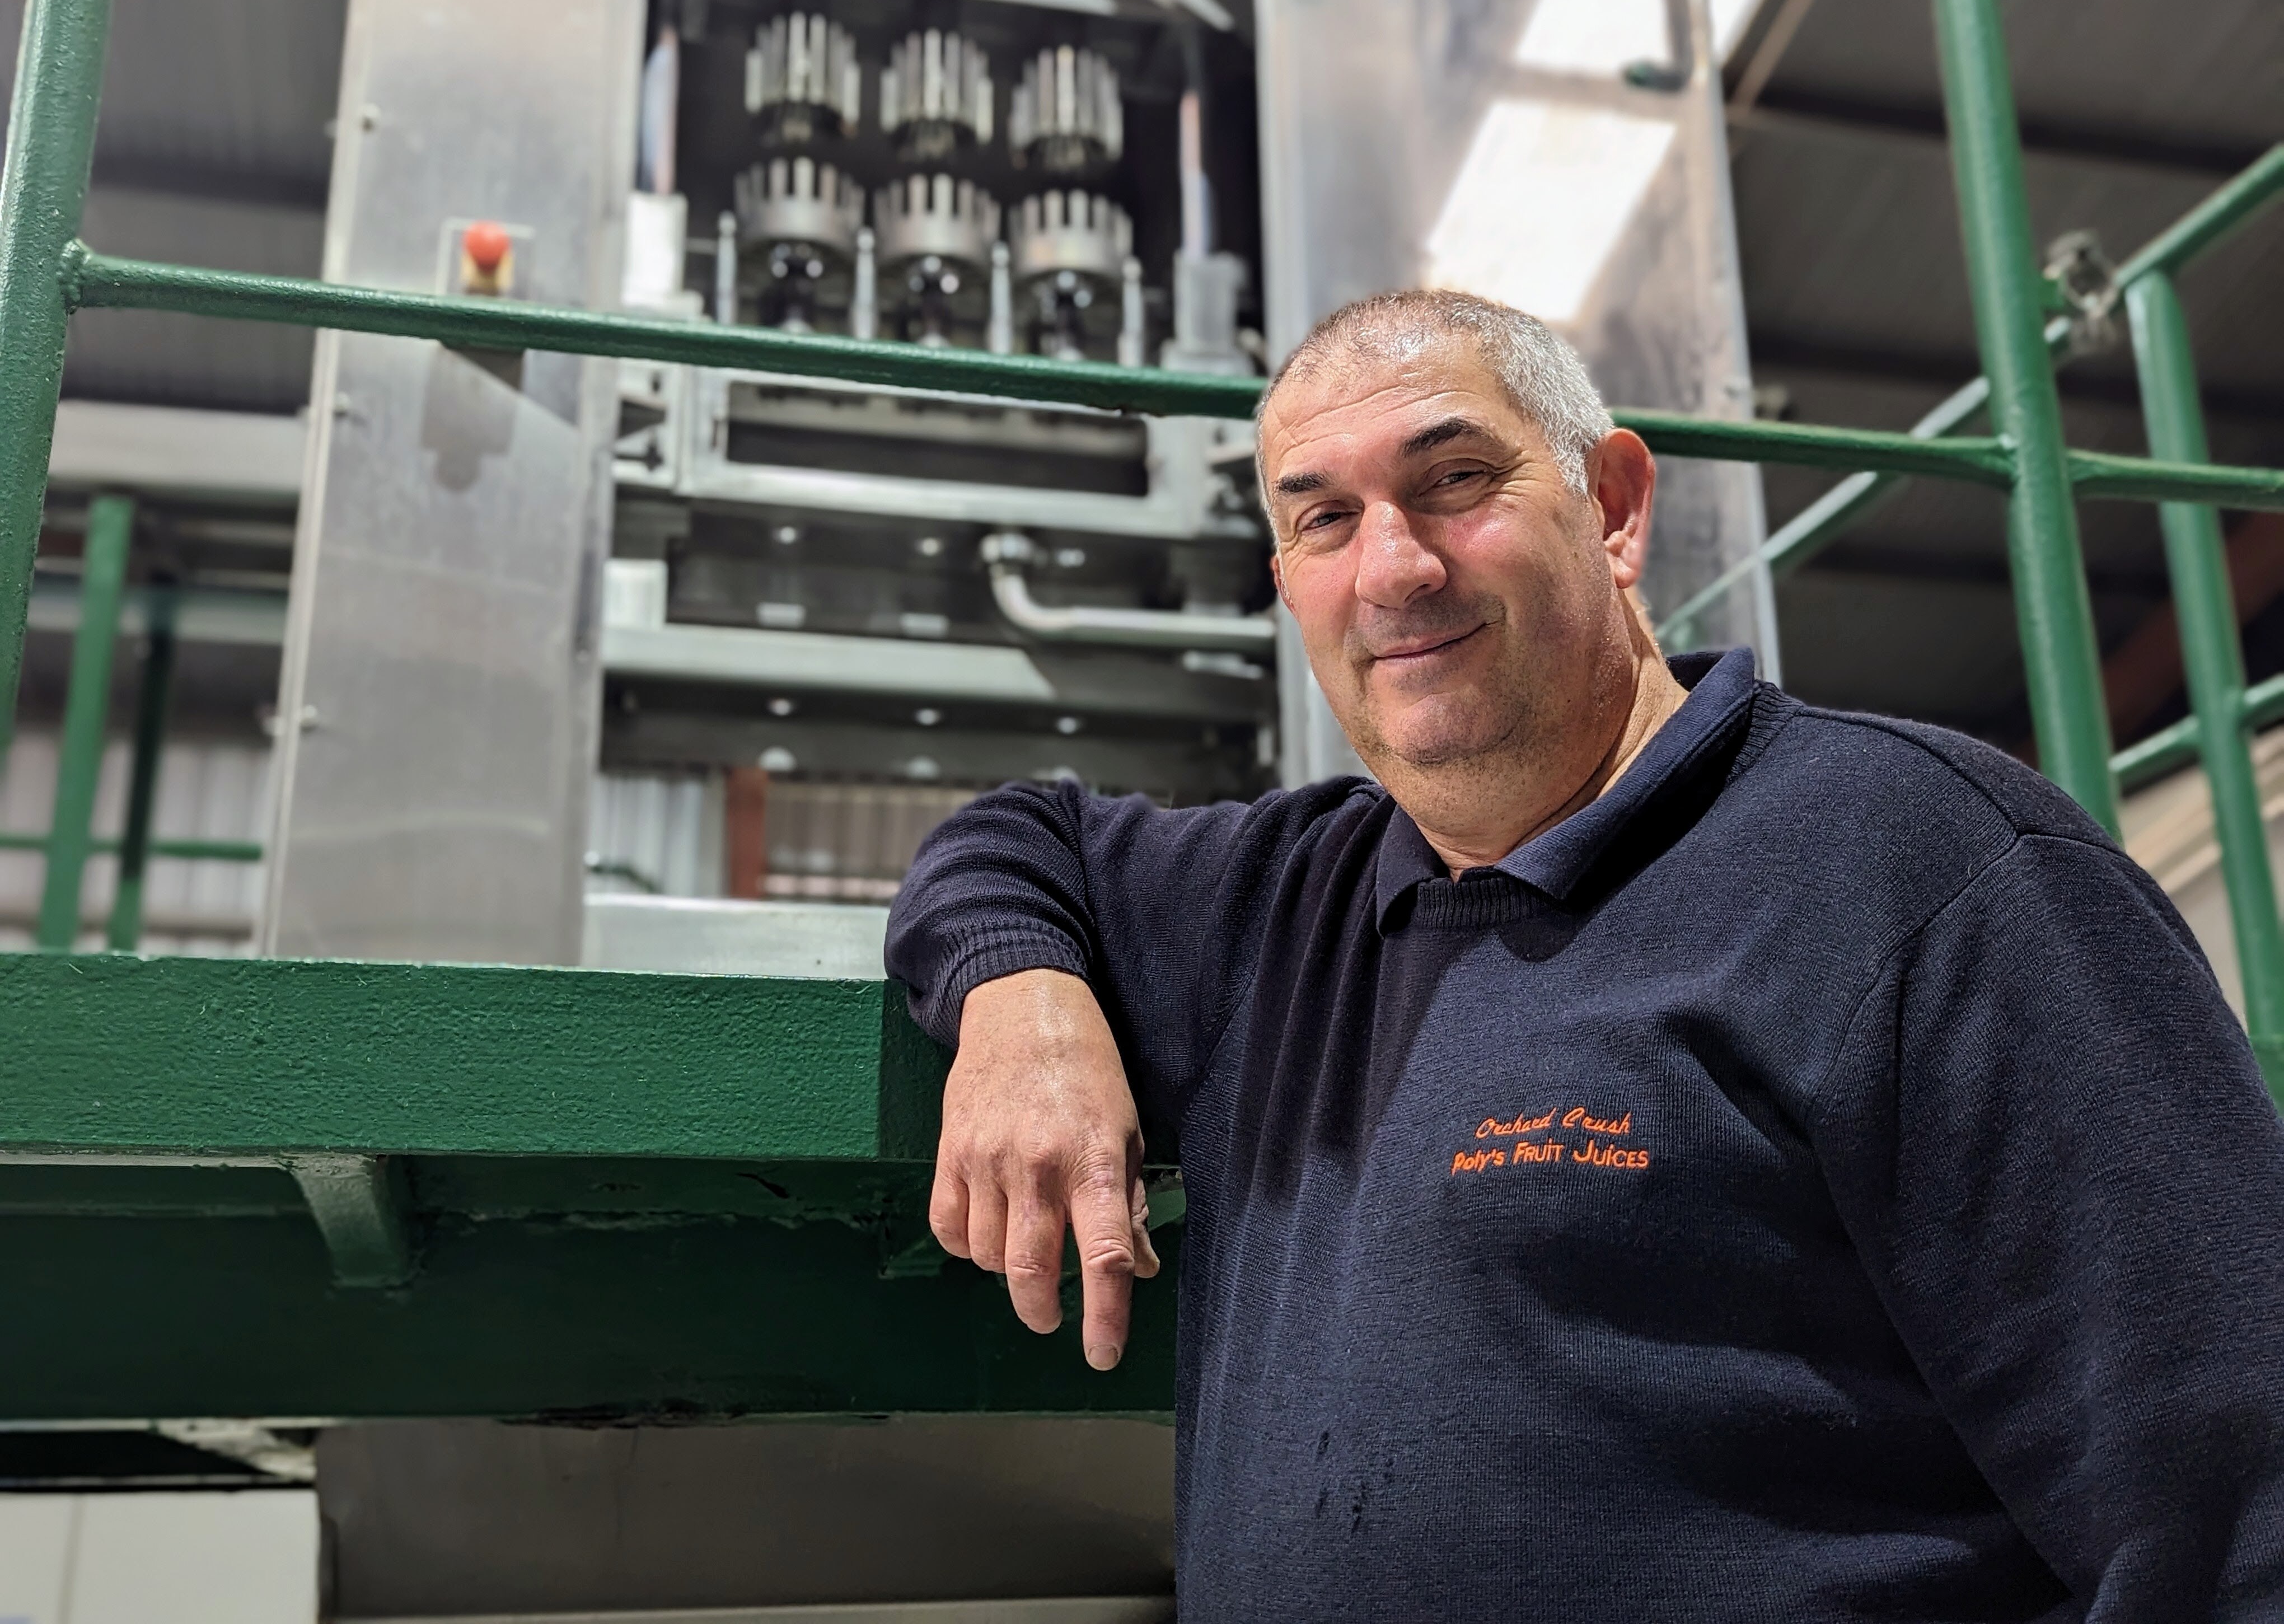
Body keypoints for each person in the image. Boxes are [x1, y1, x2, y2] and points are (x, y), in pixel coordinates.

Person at [884, 288, 2284, 1619]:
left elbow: (2236, 1508)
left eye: (1454, 482)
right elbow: (1014, 841)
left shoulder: (1923, 864)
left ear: (1612, 507)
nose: (1394, 567)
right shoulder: (1280, 901)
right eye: (1325, 519)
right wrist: (1026, 1007)